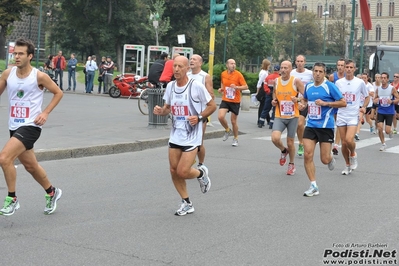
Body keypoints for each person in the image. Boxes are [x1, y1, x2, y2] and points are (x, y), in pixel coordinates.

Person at [0, 38, 63, 216]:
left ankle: (12, 199)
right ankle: (52, 192)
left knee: (4, 158)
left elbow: (58, 93)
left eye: (21, 54)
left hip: (31, 126)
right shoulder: (7, 74)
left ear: (30, 56)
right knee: (30, 166)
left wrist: (45, 113)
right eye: (15, 53)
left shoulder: (39, 76)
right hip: (14, 125)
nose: (16, 57)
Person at [153, 56, 216, 216]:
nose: (176, 69)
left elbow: (212, 105)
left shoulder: (196, 86)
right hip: (175, 135)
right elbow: (168, 109)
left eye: (180, 66)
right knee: (174, 170)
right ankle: (187, 203)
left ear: (187, 68)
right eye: (174, 66)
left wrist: (200, 117)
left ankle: (201, 174)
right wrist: (162, 111)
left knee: (182, 171)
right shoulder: (170, 87)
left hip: (192, 135)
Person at [300, 62, 346, 197]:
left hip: (326, 126)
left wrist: (326, 103)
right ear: (312, 72)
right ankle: (313, 185)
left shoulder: (329, 87)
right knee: (307, 155)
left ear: (324, 73)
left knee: (324, 160)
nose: (317, 74)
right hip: (311, 125)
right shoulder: (308, 86)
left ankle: (330, 158)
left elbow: (343, 102)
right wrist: (302, 105)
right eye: (315, 71)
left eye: (320, 71)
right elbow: (305, 99)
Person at [335, 59, 369, 175]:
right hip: (341, 114)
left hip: (353, 115)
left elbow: (367, 96)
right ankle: (347, 165)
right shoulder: (339, 83)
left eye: (351, 67)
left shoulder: (359, 82)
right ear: (344, 68)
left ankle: (353, 153)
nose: (348, 69)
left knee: (349, 140)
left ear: (354, 69)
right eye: (347, 67)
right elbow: (335, 97)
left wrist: (363, 107)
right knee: (344, 143)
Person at [270, 60, 304, 175]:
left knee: (290, 142)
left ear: (290, 69)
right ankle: (284, 151)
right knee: (275, 138)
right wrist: (274, 100)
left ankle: (291, 164)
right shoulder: (276, 81)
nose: (283, 70)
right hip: (280, 114)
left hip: (293, 116)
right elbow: (274, 93)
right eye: (282, 68)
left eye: (286, 68)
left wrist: (298, 100)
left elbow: (305, 96)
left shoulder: (296, 81)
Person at [187, 54, 214, 168]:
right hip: (188, 114)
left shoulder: (205, 76)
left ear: (200, 63)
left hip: (201, 114)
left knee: (198, 141)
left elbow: (211, 95)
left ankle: (201, 164)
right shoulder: (186, 75)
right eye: (191, 59)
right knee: (187, 140)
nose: (191, 60)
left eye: (194, 59)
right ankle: (189, 161)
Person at [218, 58, 248, 147]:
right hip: (226, 99)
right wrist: (222, 89)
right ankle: (227, 130)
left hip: (235, 100)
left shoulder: (238, 74)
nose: (233, 65)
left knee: (233, 121)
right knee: (220, 116)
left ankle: (235, 138)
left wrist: (237, 87)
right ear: (227, 65)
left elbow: (246, 86)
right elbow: (223, 83)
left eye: (234, 63)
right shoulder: (223, 74)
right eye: (231, 63)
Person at [290, 55, 313, 157]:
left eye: (301, 61)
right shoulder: (292, 73)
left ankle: (301, 143)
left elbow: (316, 83)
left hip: (304, 101)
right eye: (298, 61)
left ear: (305, 62)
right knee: (295, 125)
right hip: (293, 102)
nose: (299, 63)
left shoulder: (310, 73)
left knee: (300, 124)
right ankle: (297, 143)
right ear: (295, 62)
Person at [374, 72, 399, 151]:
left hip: (389, 111)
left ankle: (390, 131)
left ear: (388, 79)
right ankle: (383, 143)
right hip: (381, 110)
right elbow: (374, 100)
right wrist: (376, 100)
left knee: (387, 131)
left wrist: (391, 102)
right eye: (382, 78)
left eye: (385, 78)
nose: (383, 79)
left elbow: (398, 98)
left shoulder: (391, 88)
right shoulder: (378, 89)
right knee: (380, 128)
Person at [329, 58, 346, 155]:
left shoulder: (347, 77)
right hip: (334, 103)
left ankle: (336, 145)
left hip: (343, 104)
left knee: (339, 123)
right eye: (338, 65)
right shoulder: (332, 77)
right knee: (335, 122)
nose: (340, 67)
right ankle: (332, 140)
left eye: (342, 65)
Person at [256, 59, 270, 127]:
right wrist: (258, 91)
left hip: (262, 87)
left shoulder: (263, 71)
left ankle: (268, 119)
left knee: (264, 105)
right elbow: (260, 81)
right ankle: (260, 120)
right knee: (263, 105)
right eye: (269, 65)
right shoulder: (264, 73)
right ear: (267, 65)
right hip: (263, 88)